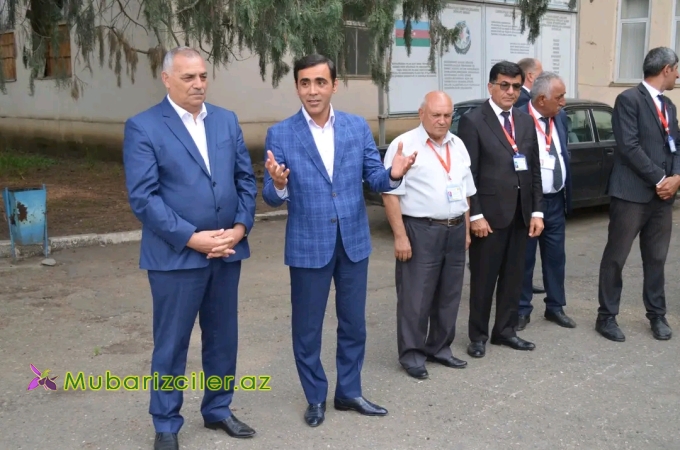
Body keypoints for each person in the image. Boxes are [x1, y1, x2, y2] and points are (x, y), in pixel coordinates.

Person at [261, 54, 416, 428]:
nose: (312, 90)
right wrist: (279, 184)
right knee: (307, 329)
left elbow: (374, 177)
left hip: (353, 242)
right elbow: (269, 194)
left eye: (320, 82)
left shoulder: (356, 127)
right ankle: (315, 397)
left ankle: (349, 391)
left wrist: (393, 174)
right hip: (308, 244)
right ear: (297, 86)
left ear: (334, 85)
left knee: (353, 324)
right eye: (305, 83)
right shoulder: (281, 133)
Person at [123, 47, 258, 450]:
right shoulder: (144, 126)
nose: (198, 84)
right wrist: (191, 238)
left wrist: (239, 228)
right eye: (188, 77)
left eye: (203, 76)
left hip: (227, 251)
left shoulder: (226, 120)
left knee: (222, 337)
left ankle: (218, 409)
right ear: (166, 79)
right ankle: (166, 423)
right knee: (172, 343)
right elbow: (144, 198)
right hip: (176, 257)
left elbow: (244, 180)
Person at [382, 91, 475, 380]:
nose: (442, 120)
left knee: (450, 293)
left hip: (455, 228)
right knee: (416, 296)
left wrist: (466, 229)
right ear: (421, 113)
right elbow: (390, 194)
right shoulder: (404, 145)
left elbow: (466, 192)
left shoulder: (458, 145)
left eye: (447, 115)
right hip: (420, 230)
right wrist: (400, 236)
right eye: (436, 115)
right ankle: (412, 354)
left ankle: (440, 347)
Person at [457, 61, 544, 359]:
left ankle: (505, 330)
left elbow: (533, 170)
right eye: (504, 85)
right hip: (489, 217)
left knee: (514, 277)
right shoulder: (473, 121)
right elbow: (469, 173)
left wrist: (537, 212)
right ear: (491, 86)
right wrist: (476, 215)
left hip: (520, 214)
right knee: (483, 279)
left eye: (516, 86)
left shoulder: (525, 121)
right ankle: (478, 336)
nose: (510, 91)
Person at [596, 46, 680, 342]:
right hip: (630, 194)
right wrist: (661, 179)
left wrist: (676, 178)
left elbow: (677, 145)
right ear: (666, 69)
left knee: (657, 258)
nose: (677, 76)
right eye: (676, 70)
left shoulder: (669, 105)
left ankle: (657, 315)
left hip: (662, 198)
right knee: (616, 257)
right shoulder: (628, 99)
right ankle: (606, 316)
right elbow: (629, 146)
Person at [516, 72, 576, 331]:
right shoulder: (518, 118)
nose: (563, 102)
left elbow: (561, 151)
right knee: (524, 259)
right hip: (528, 204)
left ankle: (555, 307)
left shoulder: (559, 117)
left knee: (555, 258)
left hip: (555, 201)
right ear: (541, 99)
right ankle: (521, 309)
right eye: (559, 97)